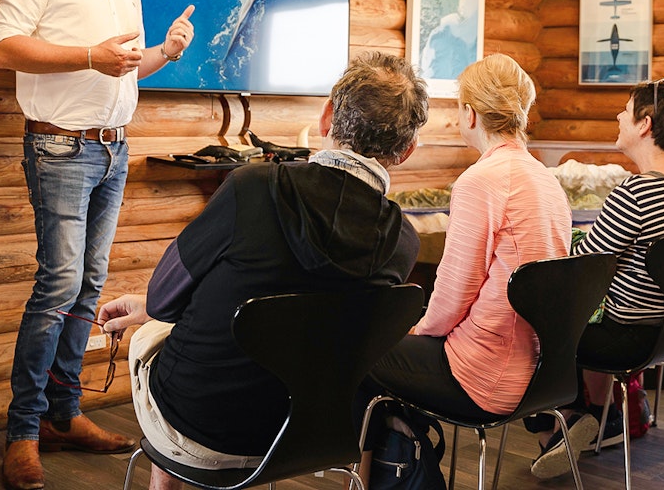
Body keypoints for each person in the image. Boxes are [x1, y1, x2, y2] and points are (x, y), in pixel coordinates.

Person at [97, 52, 430, 490]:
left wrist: (152, 309)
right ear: (405, 152)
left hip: (202, 429)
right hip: (309, 434)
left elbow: (164, 298)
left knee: (151, 334)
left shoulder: (250, 188)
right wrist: (151, 306)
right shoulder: (401, 243)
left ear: (327, 118)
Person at [0, 0, 196, 490]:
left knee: (87, 289)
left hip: (113, 151)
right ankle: (22, 433)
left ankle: (63, 415)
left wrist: (167, 52)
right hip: (58, 146)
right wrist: (88, 55)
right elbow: (3, 47)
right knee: (56, 289)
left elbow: (123, 69)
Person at [359, 53, 571, 465]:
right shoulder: (545, 178)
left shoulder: (481, 181)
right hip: (541, 372)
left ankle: (393, 462)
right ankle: (408, 440)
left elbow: (455, 292)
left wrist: (420, 329)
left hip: (483, 375)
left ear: (470, 114)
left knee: (360, 348)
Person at [532, 78, 664, 479]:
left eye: (625, 110)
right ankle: (598, 413)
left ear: (645, 125)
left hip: (626, 335)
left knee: (529, 329)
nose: (618, 116)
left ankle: (556, 428)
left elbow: (581, 262)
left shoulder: (635, 192)